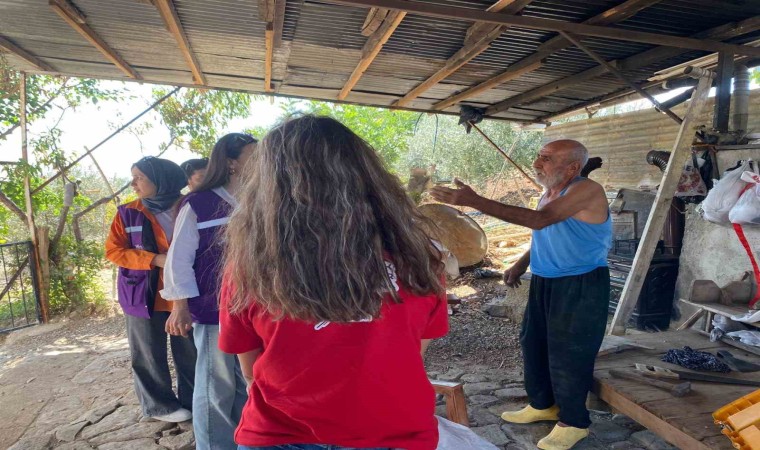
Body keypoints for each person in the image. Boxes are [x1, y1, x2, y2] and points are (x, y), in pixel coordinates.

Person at [218, 116, 449, 450]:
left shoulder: (249, 268)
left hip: (279, 435)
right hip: (393, 432)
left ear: (268, 186)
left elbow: (251, 371)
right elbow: (414, 351)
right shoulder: (419, 259)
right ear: (367, 175)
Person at [430, 139, 611, 450]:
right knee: (534, 342)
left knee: (569, 352)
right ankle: (543, 405)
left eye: (546, 159)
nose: (537, 164)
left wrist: (475, 200)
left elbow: (539, 220)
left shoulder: (586, 190)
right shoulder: (551, 191)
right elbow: (546, 230)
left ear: (572, 167)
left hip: (580, 282)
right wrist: (521, 261)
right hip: (546, 279)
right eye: (539, 157)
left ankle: (574, 422)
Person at [162, 133, 257, 450]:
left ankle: (244, 439)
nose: (260, 162)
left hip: (256, 308)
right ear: (231, 163)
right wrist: (180, 306)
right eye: (251, 155)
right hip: (213, 308)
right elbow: (179, 259)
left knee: (249, 382)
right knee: (215, 385)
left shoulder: (261, 199)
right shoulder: (199, 203)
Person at [105, 156, 197, 423]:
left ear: (161, 179)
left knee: (190, 349)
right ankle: (159, 406)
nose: (133, 183)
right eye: (133, 177)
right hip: (142, 294)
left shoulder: (189, 206)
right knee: (147, 351)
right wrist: (154, 259)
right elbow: (113, 251)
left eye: (139, 177)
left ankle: (193, 400)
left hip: (185, 292)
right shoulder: (128, 212)